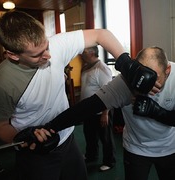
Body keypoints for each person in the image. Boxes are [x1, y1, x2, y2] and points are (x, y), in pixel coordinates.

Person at [0, 10, 157, 180]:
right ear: (13, 55)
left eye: (47, 46)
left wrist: (126, 64)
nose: (49, 55)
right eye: (37, 55)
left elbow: (101, 34)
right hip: (36, 151)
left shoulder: (55, 46)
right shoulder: (2, 83)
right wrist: (22, 137)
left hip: (67, 139)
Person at [15, 46, 175, 180]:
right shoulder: (125, 83)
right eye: (139, 78)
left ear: (167, 70)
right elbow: (86, 108)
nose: (144, 87)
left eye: (154, 81)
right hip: (136, 149)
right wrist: (49, 128)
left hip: (170, 148)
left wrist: (156, 112)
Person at [80, 46, 116, 171]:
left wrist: (105, 113)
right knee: (89, 135)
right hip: (88, 111)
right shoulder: (85, 67)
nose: (81, 53)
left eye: (84, 52)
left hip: (101, 111)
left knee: (105, 138)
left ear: (92, 53)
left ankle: (109, 161)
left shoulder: (102, 68)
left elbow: (108, 92)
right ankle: (91, 156)